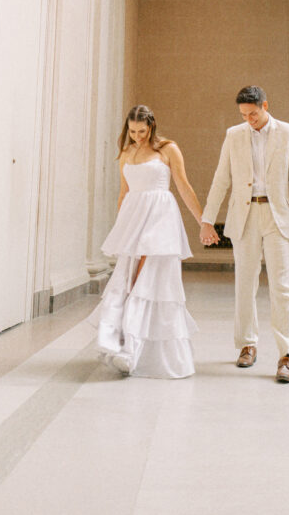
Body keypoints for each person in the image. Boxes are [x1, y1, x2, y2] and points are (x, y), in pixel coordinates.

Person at [90, 104, 214, 378]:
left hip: (160, 217)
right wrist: (120, 227)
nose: (138, 137)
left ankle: (140, 352)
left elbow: (183, 185)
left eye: (142, 131)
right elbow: (124, 193)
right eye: (133, 131)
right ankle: (128, 347)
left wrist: (203, 221)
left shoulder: (168, 149)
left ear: (152, 126)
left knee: (148, 280)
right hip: (134, 219)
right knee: (129, 281)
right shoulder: (126, 152)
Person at [200, 85, 289, 382]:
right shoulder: (233, 135)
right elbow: (220, 178)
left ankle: (286, 355)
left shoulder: (288, 133)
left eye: (253, 113)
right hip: (245, 217)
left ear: (265, 105)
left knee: (281, 285)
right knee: (245, 283)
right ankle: (247, 344)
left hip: (278, 217)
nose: (248, 119)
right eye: (243, 115)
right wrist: (207, 219)